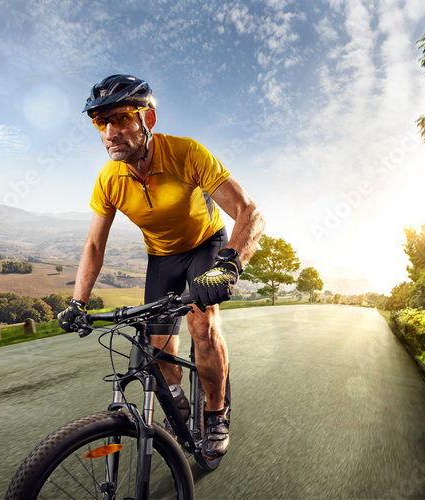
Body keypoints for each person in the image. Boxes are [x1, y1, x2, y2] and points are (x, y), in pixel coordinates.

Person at [57, 74, 265, 458]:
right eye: (101, 123)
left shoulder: (187, 153)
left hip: (207, 244)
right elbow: (94, 244)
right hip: (162, 257)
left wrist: (229, 265)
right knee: (158, 350)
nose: (109, 132)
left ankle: (216, 414)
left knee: (202, 325)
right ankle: (176, 400)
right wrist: (78, 302)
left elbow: (249, 212)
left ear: (147, 121)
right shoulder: (109, 179)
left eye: (119, 118)